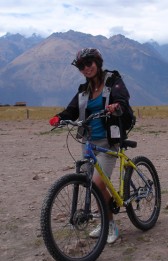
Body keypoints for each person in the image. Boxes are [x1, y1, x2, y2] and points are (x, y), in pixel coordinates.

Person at [49, 48, 131, 244]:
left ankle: (110, 225)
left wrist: (116, 106)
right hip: (88, 143)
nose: (86, 68)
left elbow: (122, 100)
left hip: (107, 142)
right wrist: (59, 118)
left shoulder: (113, 81)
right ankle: (104, 221)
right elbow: (72, 110)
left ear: (98, 62)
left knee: (97, 183)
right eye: (82, 66)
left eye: (89, 63)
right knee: (94, 185)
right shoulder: (83, 90)